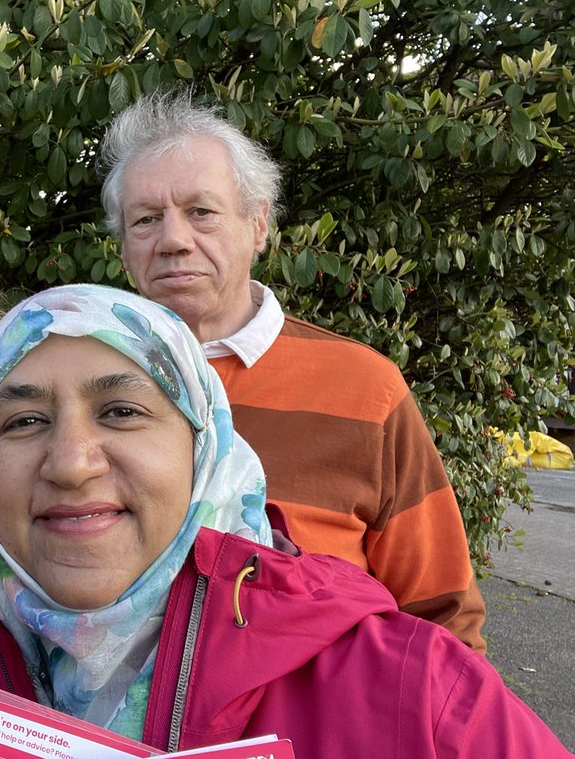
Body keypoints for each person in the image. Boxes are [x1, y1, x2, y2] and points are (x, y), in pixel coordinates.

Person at [0, 284, 568, 758]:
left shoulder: (415, 696)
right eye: (23, 422)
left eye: (122, 412)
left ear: (206, 454)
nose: (71, 462)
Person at [98, 90, 487, 652]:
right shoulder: (84, 383)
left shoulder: (366, 389)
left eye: (201, 212)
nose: (174, 239)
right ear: (125, 245)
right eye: (146, 219)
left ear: (258, 226)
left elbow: (443, 616)